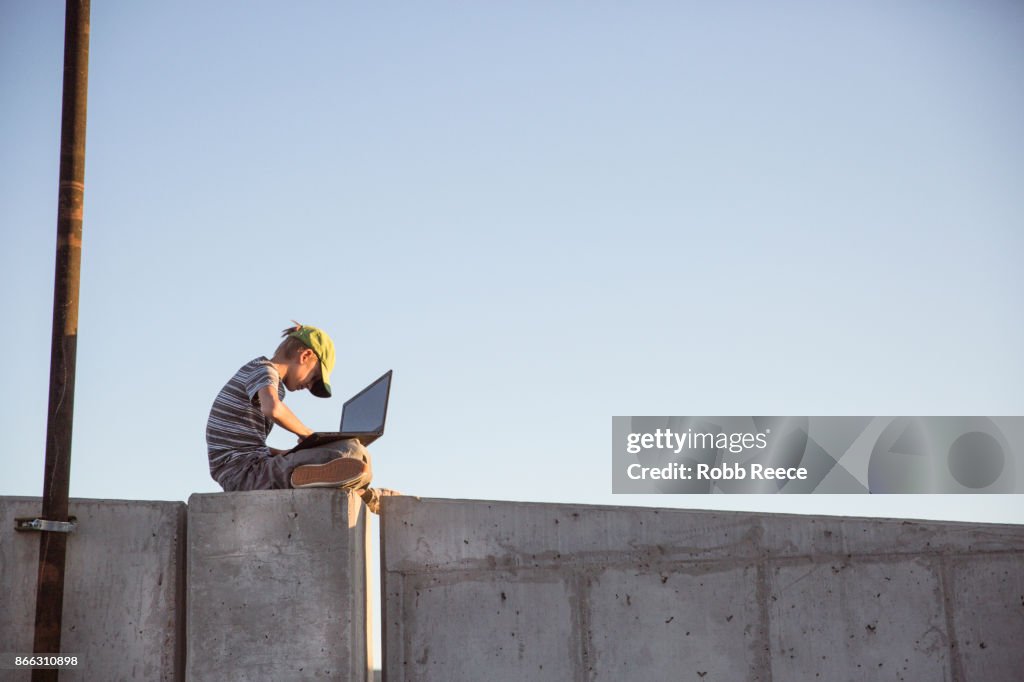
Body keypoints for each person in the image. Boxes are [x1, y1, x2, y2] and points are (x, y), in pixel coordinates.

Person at [205, 321, 396, 513]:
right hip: (247, 475)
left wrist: (289, 453)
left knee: (356, 455)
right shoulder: (263, 370)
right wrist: (308, 435)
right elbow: (273, 409)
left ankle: (329, 481)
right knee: (351, 450)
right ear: (305, 356)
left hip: (245, 473)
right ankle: (316, 480)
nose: (308, 386)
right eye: (313, 378)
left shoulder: (258, 371)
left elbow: (244, 444)